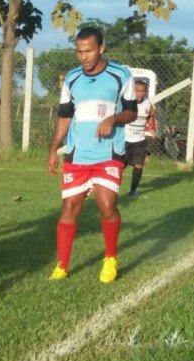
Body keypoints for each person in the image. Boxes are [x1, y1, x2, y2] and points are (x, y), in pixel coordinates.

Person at [46, 27, 137, 283]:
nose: (83, 56)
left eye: (88, 51)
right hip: (77, 155)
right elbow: (65, 116)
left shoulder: (121, 75)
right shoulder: (73, 78)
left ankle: (110, 259)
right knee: (69, 206)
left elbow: (132, 111)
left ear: (101, 49)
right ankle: (62, 266)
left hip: (109, 153)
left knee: (106, 204)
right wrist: (54, 149)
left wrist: (114, 118)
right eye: (79, 51)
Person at [123, 80, 154, 196]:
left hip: (139, 141)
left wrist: (152, 127)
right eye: (137, 91)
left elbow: (151, 115)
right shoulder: (126, 103)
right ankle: (112, 190)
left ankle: (133, 190)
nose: (140, 94)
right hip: (125, 140)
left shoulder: (148, 104)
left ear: (145, 92)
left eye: (142, 91)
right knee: (120, 166)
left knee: (139, 165)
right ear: (132, 91)